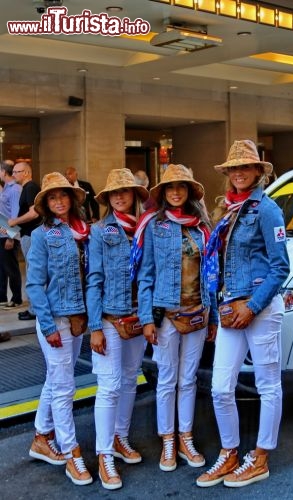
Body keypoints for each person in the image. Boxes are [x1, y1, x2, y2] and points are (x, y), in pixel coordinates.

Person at [197, 140, 289, 488]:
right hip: (228, 309)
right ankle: (230, 452)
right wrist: (215, 311)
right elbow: (217, 266)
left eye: (245, 168)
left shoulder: (267, 210)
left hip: (259, 308)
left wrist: (251, 307)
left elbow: (281, 268)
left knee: (267, 386)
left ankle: (261, 457)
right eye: (233, 169)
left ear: (257, 172)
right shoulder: (226, 210)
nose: (238, 174)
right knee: (221, 388)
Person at [134, 163, 217, 473]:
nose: (177, 192)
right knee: (167, 380)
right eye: (171, 188)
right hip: (167, 315)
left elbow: (211, 275)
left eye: (182, 187)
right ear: (164, 194)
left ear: (190, 192)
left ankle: (186, 437)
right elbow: (146, 275)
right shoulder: (155, 226)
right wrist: (146, 319)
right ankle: (167, 439)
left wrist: (213, 319)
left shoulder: (202, 226)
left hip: (198, 313)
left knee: (189, 379)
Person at [26, 172, 92, 486]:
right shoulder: (42, 236)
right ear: (46, 204)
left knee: (56, 380)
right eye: (52, 198)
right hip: (56, 321)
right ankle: (71, 452)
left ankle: (41, 435)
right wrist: (47, 324)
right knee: (65, 387)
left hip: (78, 319)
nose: (59, 201)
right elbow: (34, 285)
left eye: (63, 195)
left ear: (71, 198)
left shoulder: (84, 232)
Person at [86, 168, 150, 490]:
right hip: (110, 318)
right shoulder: (100, 231)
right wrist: (95, 326)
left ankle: (120, 437)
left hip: (138, 319)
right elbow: (94, 279)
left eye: (126, 192)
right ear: (108, 199)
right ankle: (104, 454)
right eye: (114, 194)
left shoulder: (145, 229)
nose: (120, 197)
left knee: (129, 380)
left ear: (136, 196)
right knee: (109, 385)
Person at [8, 161, 41, 321]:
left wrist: (15, 221)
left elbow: (34, 213)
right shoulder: (26, 188)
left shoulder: (30, 187)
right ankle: (33, 308)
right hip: (27, 234)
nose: (13, 174)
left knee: (33, 273)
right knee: (32, 272)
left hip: (32, 235)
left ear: (26, 172)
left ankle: (34, 310)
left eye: (16, 171)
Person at [0, 160, 22, 313]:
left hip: (8, 234)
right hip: (2, 232)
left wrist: (11, 237)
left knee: (11, 268)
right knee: (2, 268)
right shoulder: (6, 188)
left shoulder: (15, 189)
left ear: (3, 172)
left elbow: (15, 214)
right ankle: (2, 297)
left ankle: (17, 298)